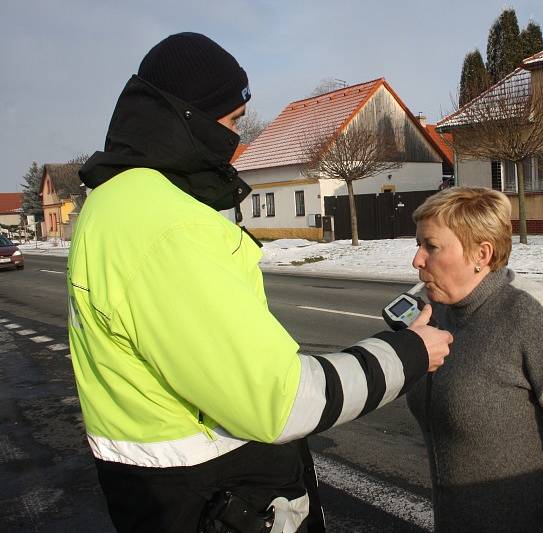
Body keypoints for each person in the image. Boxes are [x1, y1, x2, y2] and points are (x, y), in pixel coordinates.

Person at [68, 32, 452, 533]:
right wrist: (409, 354)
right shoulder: (169, 226)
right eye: (229, 123)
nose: (236, 141)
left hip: (160, 496)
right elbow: (281, 400)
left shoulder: (113, 201)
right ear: (188, 117)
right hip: (215, 501)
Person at [406, 187, 543, 533]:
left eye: (430, 246)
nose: (417, 260)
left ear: (482, 253)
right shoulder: (434, 312)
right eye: (417, 245)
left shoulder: (536, 316)